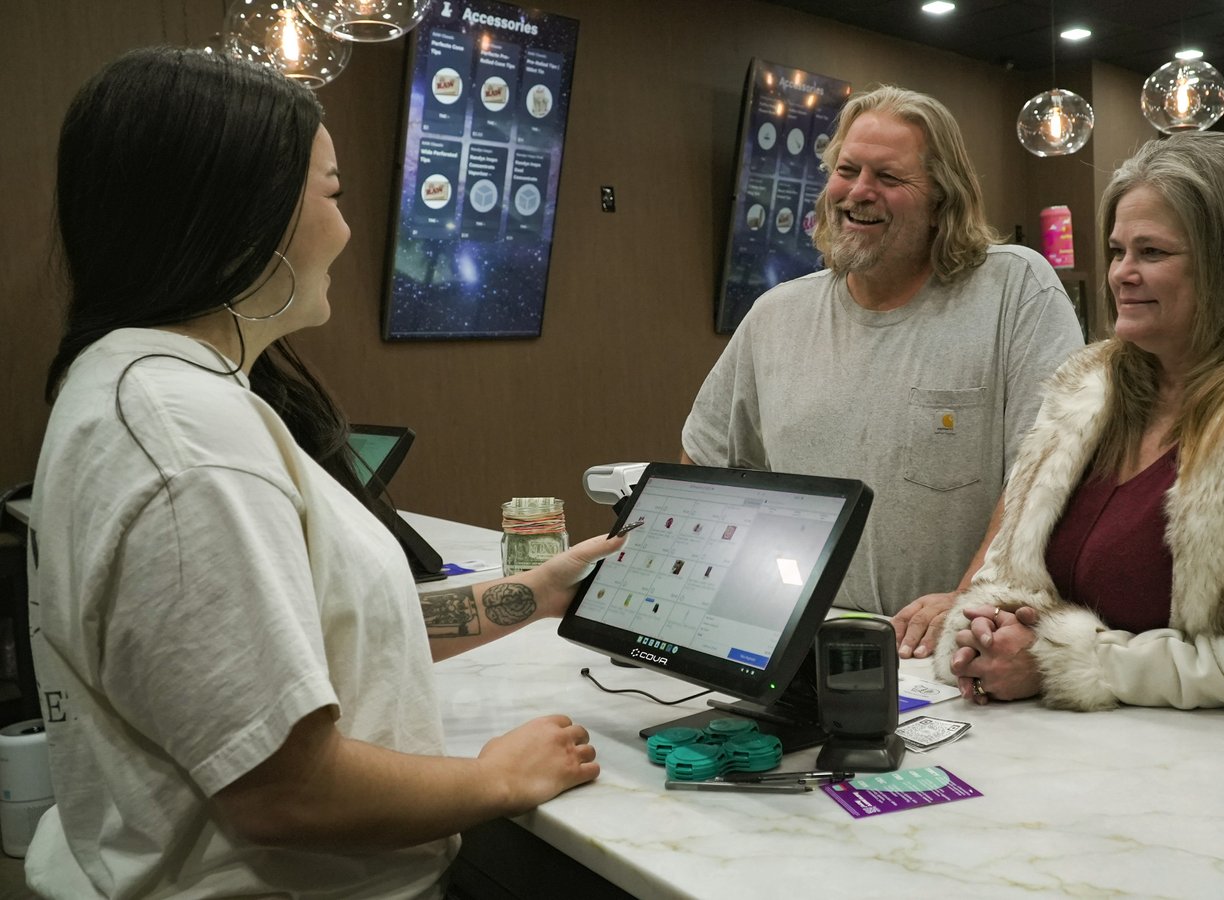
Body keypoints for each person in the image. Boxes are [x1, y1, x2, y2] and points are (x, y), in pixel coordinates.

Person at [27, 48, 625, 898]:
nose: (346, 229)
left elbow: (310, 640)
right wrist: (498, 776)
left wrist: (531, 592)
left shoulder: (147, 386)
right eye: (334, 193)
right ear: (248, 215)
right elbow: (283, 791)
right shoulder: (189, 439)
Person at [930, 132, 1224, 716]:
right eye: (1118, 250)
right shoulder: (1089, 390)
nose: (1122, 274)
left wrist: (1060, 660)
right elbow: (1006, 574)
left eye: (1152, 253)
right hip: (1070, 765)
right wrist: (984, 634)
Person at [681, 85, 1084, 619]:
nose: (859, 192)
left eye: (889, 178)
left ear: (943, 199)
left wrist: (970, 600)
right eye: (847, 171)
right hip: (804, 641)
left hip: (953, 648)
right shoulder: (775, 314)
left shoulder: (1014, 289)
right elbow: (703, 468)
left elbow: (1048, 476)